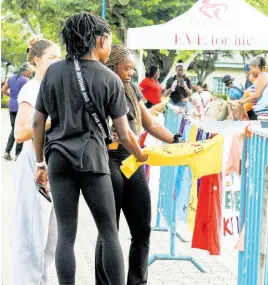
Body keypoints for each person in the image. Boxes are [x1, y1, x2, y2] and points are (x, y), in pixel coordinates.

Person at [32, 13, 147, 285]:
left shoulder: (54, 71)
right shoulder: (110, 78)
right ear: (100, 39)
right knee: (108, 232)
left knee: (66, 234)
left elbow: (38, 121)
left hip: (58, 158)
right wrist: (141, 156)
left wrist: (40, 164)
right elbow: (124, 132)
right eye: (108, 41)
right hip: (94, 160)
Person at [95, 44, 178, 285]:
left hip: (134, 159)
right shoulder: (102, 87)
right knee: (109, 232)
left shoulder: (131, 89)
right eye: (127, 68)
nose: (131, 73)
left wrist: (176, 140)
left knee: (142, 229)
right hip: (108, 161)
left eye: (133, 68)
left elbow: (151, 124)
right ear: (112, 66)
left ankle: (137, 281)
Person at [12, 35, 61, 285]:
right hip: (34, 164)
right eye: (52, 57)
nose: (57, 62)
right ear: (35, 61)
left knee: (49, 240)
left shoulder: (54, 87)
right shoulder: (32, 88)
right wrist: (54, 120)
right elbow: (20, 133)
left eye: (59, 57)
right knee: (32, 238)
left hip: (52, 166)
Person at [2, 62, 33, 160]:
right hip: (20, 107)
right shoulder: (26, 80)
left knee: (14, 129)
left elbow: (3, 90)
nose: (30, 73)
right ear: (25, 70)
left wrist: (11, 96)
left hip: (11, 106)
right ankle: (17, 154)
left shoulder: (11, 78)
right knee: (21, 129)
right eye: (30, 71)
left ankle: (7, 152)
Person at [239, 56, 268, 127]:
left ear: (257, 67)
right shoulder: (262, 76)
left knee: (265, 133)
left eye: (251, 69)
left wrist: (244, 100)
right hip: (264, 109)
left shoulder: (262, 76)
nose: (250, 72)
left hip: (265, 110)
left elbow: (257, 95)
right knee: (263, 132)